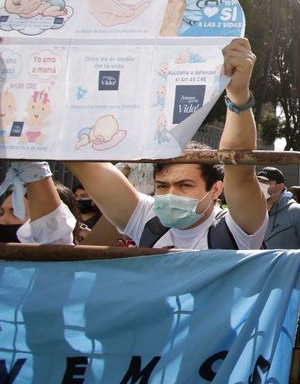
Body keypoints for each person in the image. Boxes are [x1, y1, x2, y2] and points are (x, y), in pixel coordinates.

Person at [64, 38, 267, 250]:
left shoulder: (237, 230)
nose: (170, 195)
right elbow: (82, 162)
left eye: (184, 185)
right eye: (162, 186)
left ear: (216, 189)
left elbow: (240, 171)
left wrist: (237, 94)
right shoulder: (146, 220)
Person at [0, 161, 75, 245]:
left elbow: (51, 228)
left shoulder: (55, 237)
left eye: (16, 214)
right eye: (1, 213)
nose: (2, 221)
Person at [258, 167, 300, 249]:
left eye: (265, 182)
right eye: (258, 181)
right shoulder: (254, 215)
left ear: (280, 187)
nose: (259, 185)